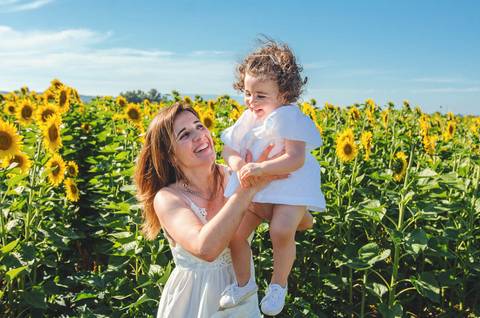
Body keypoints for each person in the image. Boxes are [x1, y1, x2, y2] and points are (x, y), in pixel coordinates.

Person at [134, 102, 313, 317]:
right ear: (170, 156)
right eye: (184, 134)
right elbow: (206, 249)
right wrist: (248, 192)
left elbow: (305, 223)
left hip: (240, 302)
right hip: (193, 302)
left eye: (199, 126)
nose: (199, 135)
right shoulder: (168, 198)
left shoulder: (237, 175)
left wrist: (280, 188)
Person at [219, 39, 326, 316]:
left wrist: (261, 169)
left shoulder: (289, 117)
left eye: (260, 95)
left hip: (289, 186)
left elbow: (295, 158)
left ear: (283, 95)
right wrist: (239, 162)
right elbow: (228, 147)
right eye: (247, 93)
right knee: (235, 234)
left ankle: (278, 285)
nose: (251, 101)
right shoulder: (248, 117)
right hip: (258, 187)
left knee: (280, 230)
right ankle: (245, 284)